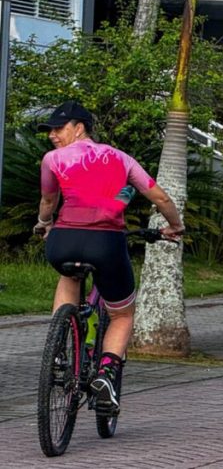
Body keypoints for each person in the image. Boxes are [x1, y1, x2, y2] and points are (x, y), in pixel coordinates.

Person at [35, 101, 185, 413]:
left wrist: (44, 224)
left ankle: (59, 347)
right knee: (123, 314)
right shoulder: (120, 158)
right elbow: (159, 197)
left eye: (58, 128)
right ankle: (104, 374)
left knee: (68, 274)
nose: (52, 135)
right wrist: (175, 225)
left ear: (79, 128)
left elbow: (49, 200)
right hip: (106, 242)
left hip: (63, 241)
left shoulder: (52, 160)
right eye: (49, 130)